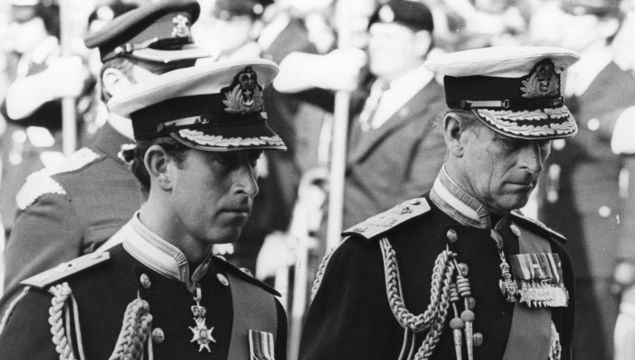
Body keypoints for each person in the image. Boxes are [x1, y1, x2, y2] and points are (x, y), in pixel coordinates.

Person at [300, 46, 579, 360]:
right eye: (512, 142)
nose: (533, 163)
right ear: (455, 134)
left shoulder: (549, 254)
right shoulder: (372, 255)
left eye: (543, 144)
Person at [0, 57, 288, 359]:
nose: (249, 186)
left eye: (252, 161)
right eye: (225, 162)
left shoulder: (260, 308)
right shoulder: (64, 306)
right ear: (161, 166)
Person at [0, 0, 209, 310]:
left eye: (186, 71)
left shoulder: (199, 176)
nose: (181, 87)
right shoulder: (62, 196)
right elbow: (24, 333)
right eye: (164, 73)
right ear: (114, 83)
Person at [530, 1, 635, 359]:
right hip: (556, 231)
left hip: (600, 242)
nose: (569, 25)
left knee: (594, 344)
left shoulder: (623, 85)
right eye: (567, 15)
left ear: (607, 26)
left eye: (582, 17)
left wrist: (628, 254)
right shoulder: (556, 80)